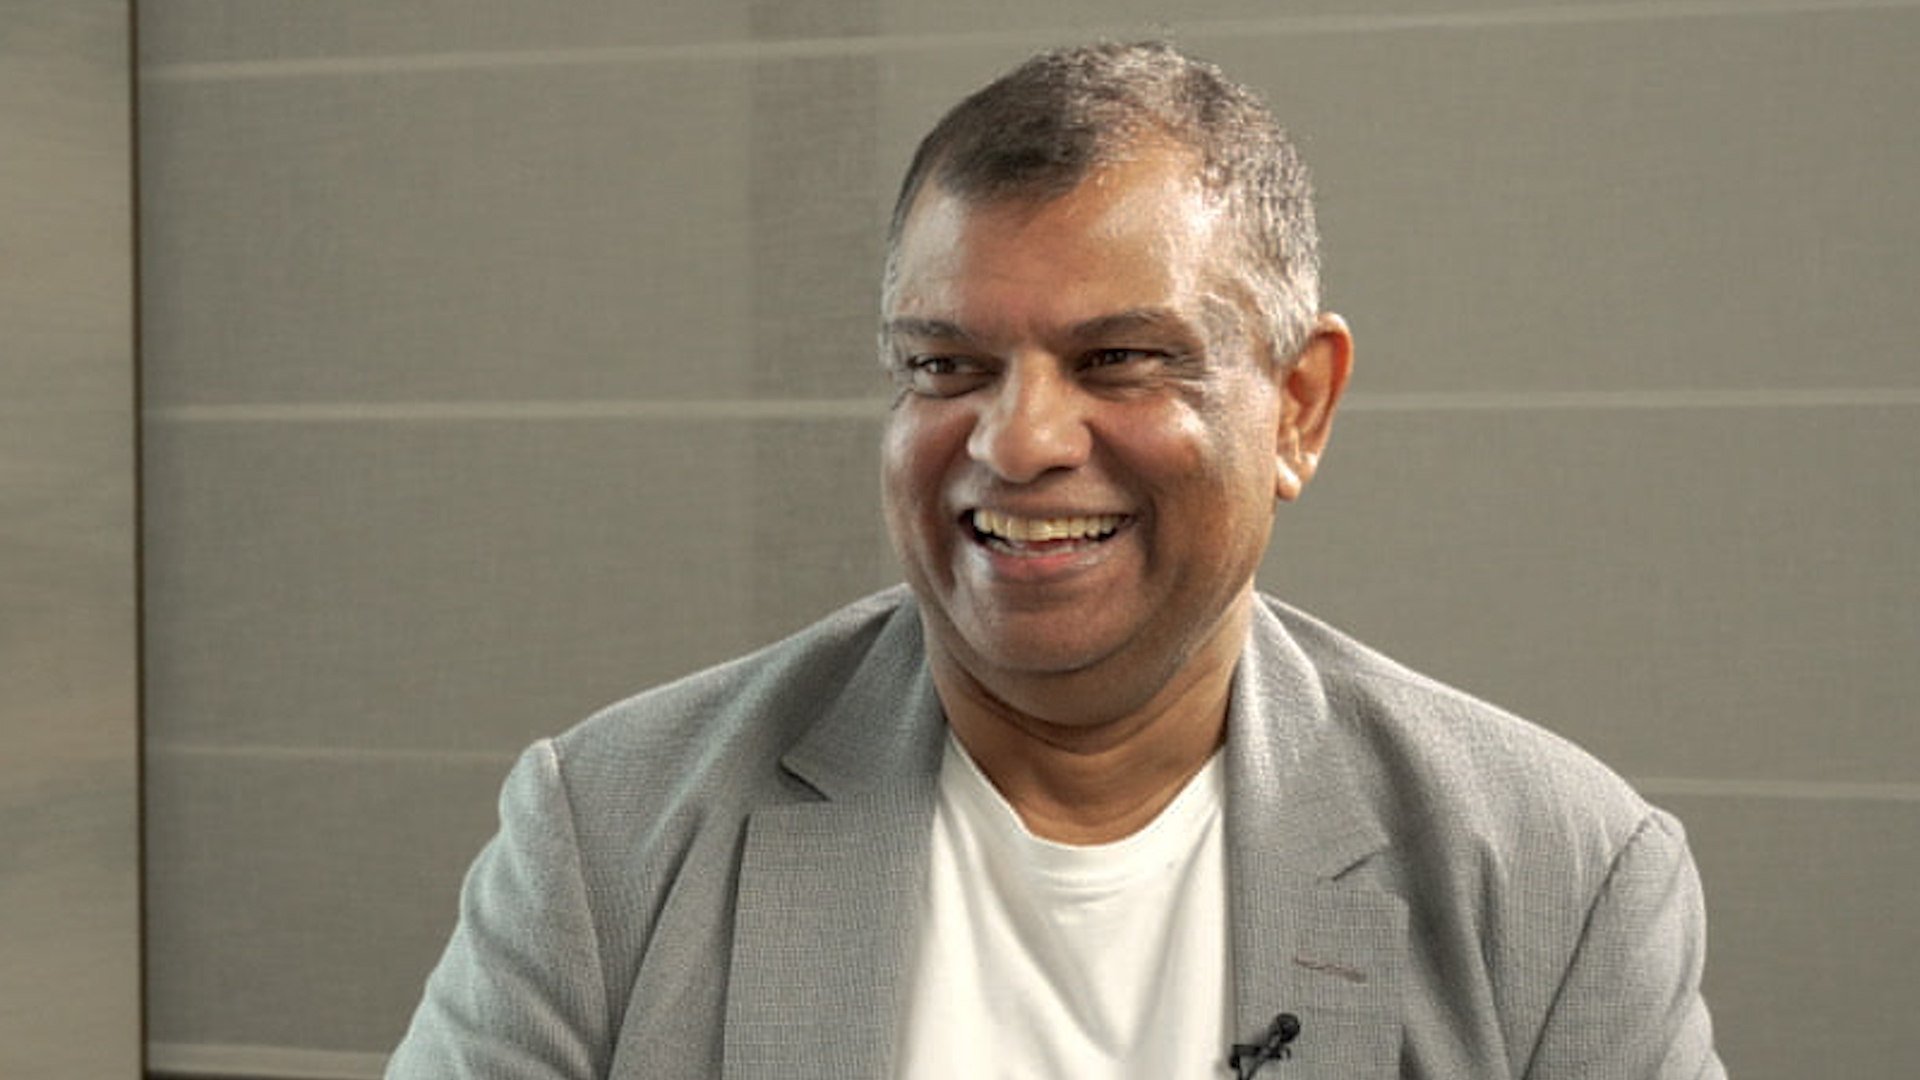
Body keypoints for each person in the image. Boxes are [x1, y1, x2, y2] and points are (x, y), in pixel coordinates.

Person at [389, 41, 1724, 1079]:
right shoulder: (609, 836)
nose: (1017, 441)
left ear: (1300, 407)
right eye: (945, 366)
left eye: (1120, 361)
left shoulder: (1558, 876)